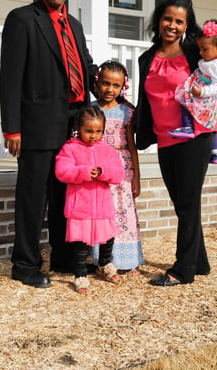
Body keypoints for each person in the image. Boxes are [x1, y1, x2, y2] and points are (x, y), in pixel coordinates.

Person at [0, 0, 97, 288]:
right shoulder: (23, 19)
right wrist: (12, 128)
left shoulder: (75, 25)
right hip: (37, 125)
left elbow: (83, 66)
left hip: (73, 123)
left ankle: (64, 257)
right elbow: (10, 78)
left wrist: (109, 83)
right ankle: (25, 264)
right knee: (33, 198)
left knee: (63, 196)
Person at [136, 0, 215, 287]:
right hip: (165, 138)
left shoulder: (196, 52)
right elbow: (147, 98)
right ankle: (201, 261)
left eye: (179, 21)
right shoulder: (147, 58)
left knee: (187, 203)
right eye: (168, 18)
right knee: (181, 201)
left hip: (195, 135)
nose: (172, 25)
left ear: (186, 26)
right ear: (159, 20)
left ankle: (183, 270)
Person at [55, 106, 125, 294]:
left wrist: (103, 172)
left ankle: (105, 264)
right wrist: (84, 172)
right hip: (80, 207)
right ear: (79, 127)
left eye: (98, 131)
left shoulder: (107, 150)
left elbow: (118, 173)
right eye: (88, 131)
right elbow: (62, 172)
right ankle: (80, 274)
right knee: (81, 244)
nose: (93, 135)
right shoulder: (69, 148)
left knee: (108, 238)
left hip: (103, 206)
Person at [92, 61, 145, 274]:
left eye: (116, 85)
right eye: (105, 83)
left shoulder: (127, 112)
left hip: (122, 169)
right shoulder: (90, 110)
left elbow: (132, 148)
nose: (109, 89)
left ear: (123, 87)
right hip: (99, 167)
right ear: (97, 83)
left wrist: (136, 177)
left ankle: (126, 260)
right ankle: (100, 259)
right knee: (100, 211)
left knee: (123, 213)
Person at [168, 19, 217, 165]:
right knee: (214, 124)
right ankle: (214, 152)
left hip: (212, 93)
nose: (200, 53)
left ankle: (188, 127)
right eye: (200, 48)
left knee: (185, 98)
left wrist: (201, 91)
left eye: (204, 49)